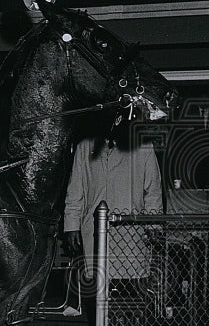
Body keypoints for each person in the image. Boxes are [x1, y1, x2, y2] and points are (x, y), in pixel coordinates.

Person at [63, 118, 163, 286]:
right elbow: (75, 191)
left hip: (130, 233)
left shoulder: (143, 148)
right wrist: (72, 226)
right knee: (96, 288)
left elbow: (153, 192)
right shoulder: (85, 148)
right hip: (93, 231)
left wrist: (153, 225)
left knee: (130, 288)